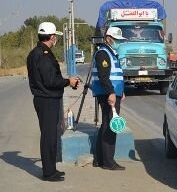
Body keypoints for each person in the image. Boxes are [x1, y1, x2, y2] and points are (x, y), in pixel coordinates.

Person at [27, 22, 79, 182]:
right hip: (47, 99)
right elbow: (50, 81)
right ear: (52, 37)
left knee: (50, 135)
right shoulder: (43, 55)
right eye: (55, 36)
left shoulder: (36, 53)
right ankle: (48, 173)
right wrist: (67, 81)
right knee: (49, 136)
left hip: (46, 99)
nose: (56, 39)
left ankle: (51, 169)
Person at [91, 26, 127, 170]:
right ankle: (108, 162)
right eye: (116, 40)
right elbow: (104, 77)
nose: (119, 42)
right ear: (108, 39)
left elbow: (116, 75)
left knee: (106, 125)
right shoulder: (103, 54)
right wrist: (111, 93)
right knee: (111, 127)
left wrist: (121, 91)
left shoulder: (111, 53)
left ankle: (100, 159)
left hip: (112, 92)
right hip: (107, 94)